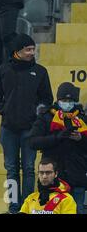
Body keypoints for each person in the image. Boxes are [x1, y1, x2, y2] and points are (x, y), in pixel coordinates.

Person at [0, 33, 53, 214]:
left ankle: (27, 206)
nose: (32, 52)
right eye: (28, 49)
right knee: (11, 169)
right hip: (8, 128)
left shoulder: (40, 71)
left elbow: (47, 99)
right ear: (17, 51)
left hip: (31, 129)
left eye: (33, 49)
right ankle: (13, 207)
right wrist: (5, 110)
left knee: (29, 168)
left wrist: (37, 113)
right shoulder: (2, 70)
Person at [29, 82, 87, 214]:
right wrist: (57, 137)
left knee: (78, 209)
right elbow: (33, 142)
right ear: (58, 100)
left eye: (70, 100)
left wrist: (81, 139)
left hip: (77, 175)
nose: (67, 103)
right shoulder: (46, 117)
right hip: (53, 181)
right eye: (64, 100)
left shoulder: (82, 118)